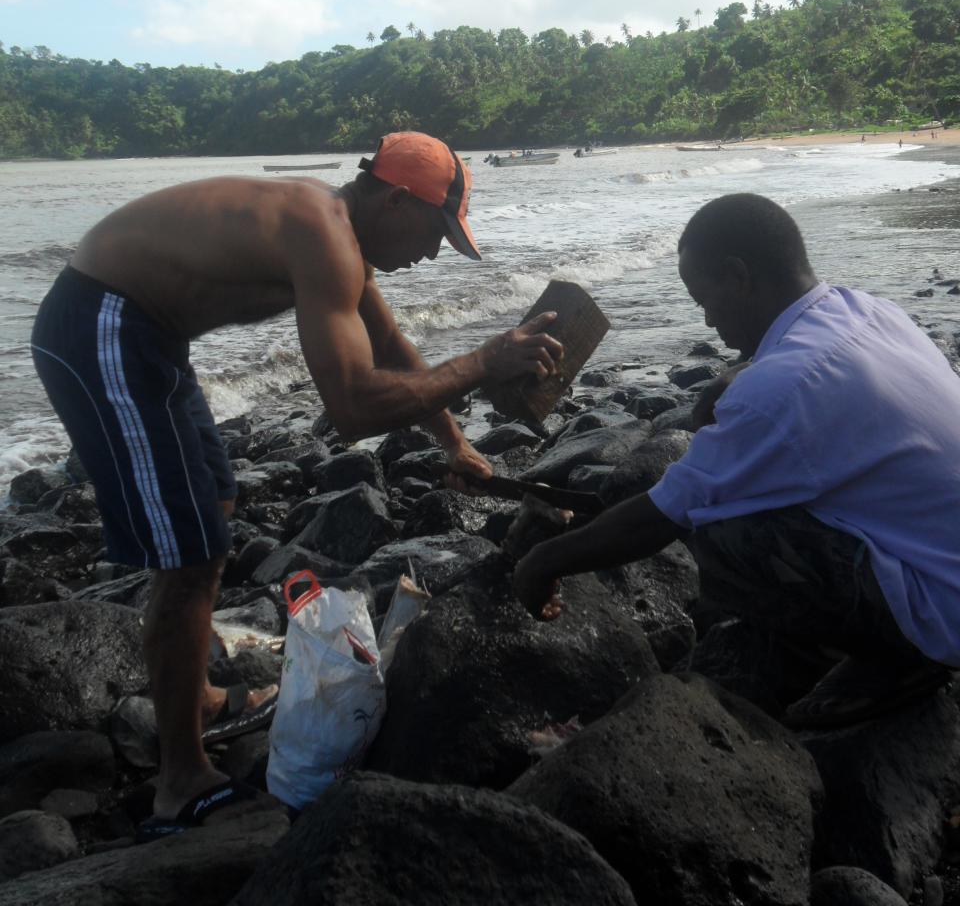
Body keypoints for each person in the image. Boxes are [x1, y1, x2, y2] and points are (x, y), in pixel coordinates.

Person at [32, 132, 561, 838]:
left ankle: (198, 699)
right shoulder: (323, 230)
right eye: (436, 231)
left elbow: (393, 351)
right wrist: (487, 360)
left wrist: (456, 444)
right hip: (101, 326)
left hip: (151, 336)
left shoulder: (343, 237)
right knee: (188, 557)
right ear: (396, 198)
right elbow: (352, 408)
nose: (434, 252)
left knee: (213, 504)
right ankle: (179, 781)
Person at [514, 192, 960, 729]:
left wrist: (544, 562)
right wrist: (734, 375)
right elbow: (782, 378)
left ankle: (899, 663)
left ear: (736, 275)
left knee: (724, 534)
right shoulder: (863, 310)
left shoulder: (782, 389)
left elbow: (662, 517)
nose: (706, 322)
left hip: (945, 611)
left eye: (705, 300)